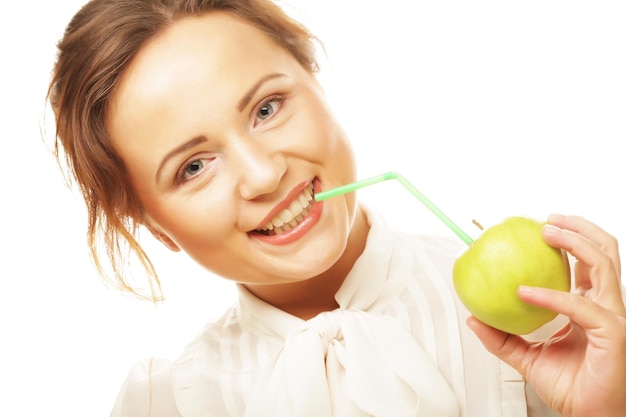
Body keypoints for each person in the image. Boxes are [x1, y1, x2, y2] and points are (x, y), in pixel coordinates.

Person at [47, 0, 626, 416]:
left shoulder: (544, 324)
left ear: (316, 79)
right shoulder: (167, 405)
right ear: (156, 228)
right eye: (193, 167)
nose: (264, 174)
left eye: (268, 108)